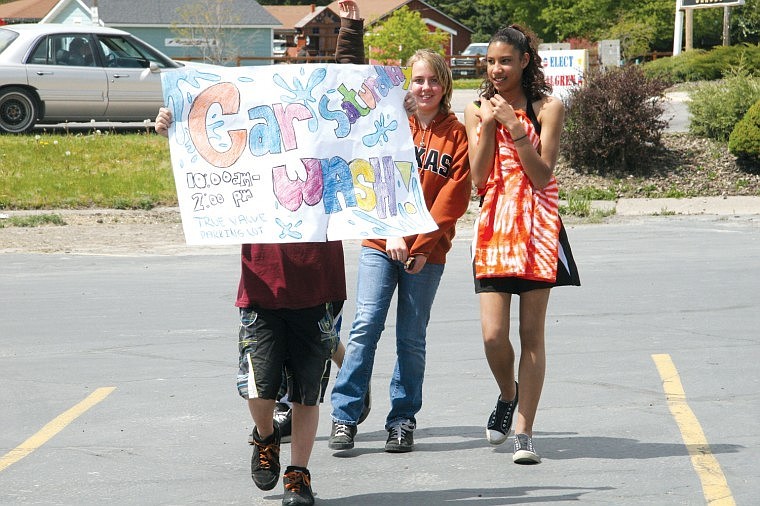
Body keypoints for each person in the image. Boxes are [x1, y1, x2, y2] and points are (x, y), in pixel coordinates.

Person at [155, 110, 346, 505]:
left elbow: (376, 145)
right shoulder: (252, 149)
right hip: (262, 283)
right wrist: (173, 129)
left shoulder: (330, 145)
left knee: (307, 393)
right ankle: (265, 436)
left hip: (318, 282)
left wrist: (402, 112)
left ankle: (299, 475)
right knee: (258, 388)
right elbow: (207, 158)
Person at [327, 0, 471, 453]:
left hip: (426, 253)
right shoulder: (389, 122)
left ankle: (403, 418)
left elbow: (454, 197)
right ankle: (345, 415)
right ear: (407, 85)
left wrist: (424, 245)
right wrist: (390, 230)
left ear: (444, 85)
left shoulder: (457, 134)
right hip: (378, 240)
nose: (424, 87)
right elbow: (371, 173)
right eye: (417, 80)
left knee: (411, 336)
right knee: (366, 324)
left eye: (432, 80)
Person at [463, 25, 580, 465]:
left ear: (525, 61)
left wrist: (514, 126)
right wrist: (491, 126)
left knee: (531, 335)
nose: (497, 69)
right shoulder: (477, 110)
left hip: (537, 227)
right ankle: (507, 393)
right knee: (494, 336)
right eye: (491, 61)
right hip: (495, 224)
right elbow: (477, 178)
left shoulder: (549, 107)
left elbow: (542, 175)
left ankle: (525, 431)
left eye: (505, 61)